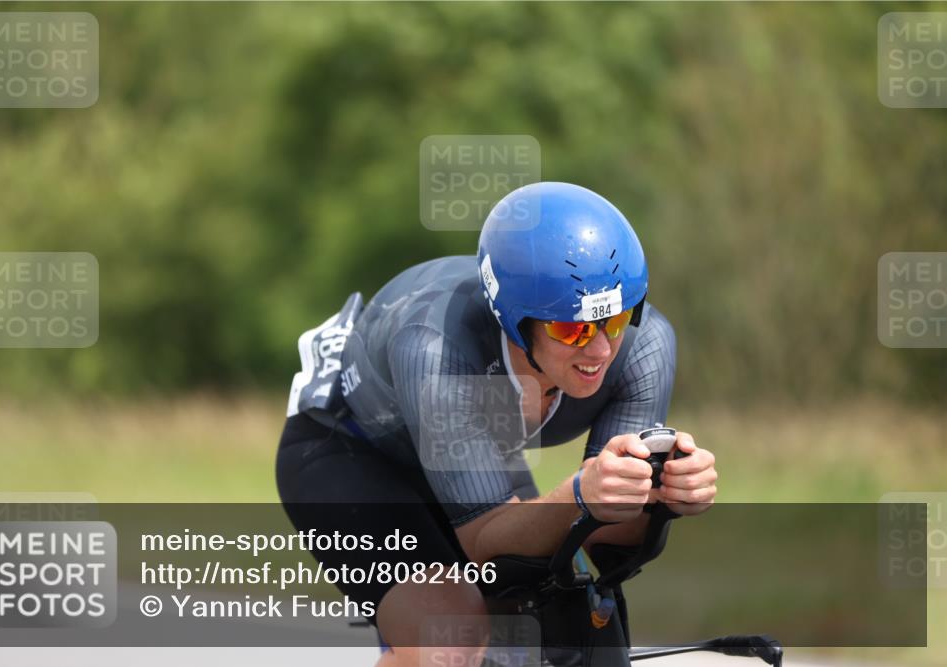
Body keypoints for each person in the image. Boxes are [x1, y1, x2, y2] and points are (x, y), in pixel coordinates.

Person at [276, 182, 718, 666]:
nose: (599, 351)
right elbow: (486, 543)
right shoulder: (435, 346)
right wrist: (579, 495)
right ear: (513, 321)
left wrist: (659, 497)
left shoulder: (645, 345)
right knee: (453, 640)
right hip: (350, 451)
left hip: (469, 449)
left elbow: (601, 543)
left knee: (553, 619)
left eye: (614, 320)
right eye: (573, 329)